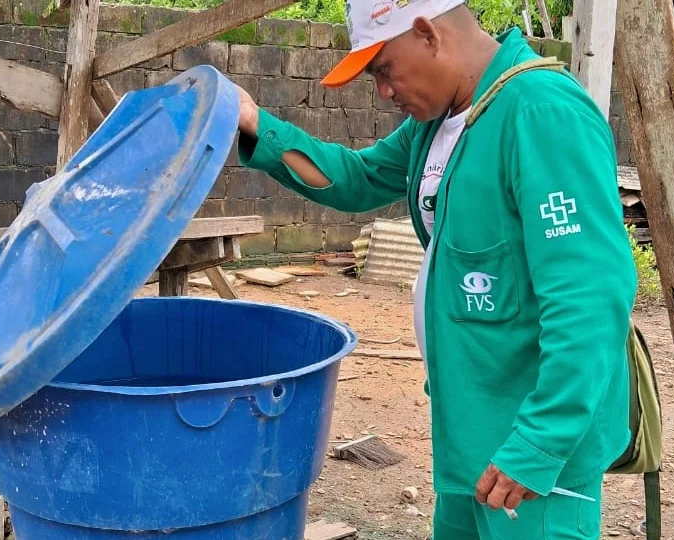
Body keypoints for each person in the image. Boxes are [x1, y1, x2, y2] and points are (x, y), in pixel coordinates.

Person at [231, 1, 638, 538]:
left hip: (530, 447)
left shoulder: (540, 113)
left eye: (383, 70)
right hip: (469, 427)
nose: (382, 92)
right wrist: (255, 122)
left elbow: (589, 298)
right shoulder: (441, 124)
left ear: (427, 33)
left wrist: (539, 442)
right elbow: (354, 177)